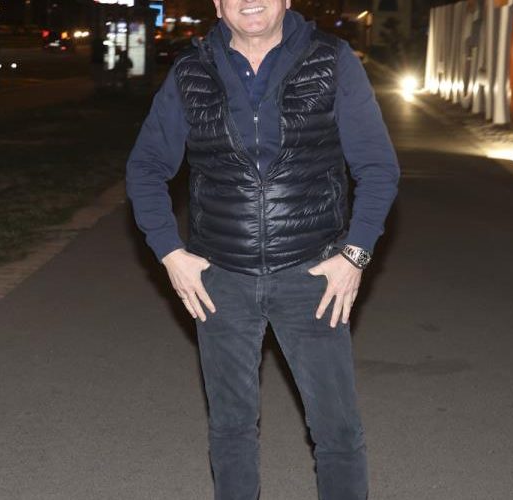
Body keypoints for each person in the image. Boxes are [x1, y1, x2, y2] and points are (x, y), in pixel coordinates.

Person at [124, 0, 399, 497]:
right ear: (218, 4)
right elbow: (145, 167)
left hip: (314, 276)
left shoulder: (331, 58)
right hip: (220, 279)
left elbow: (377, 166)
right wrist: (170, 253)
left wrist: (355, 255)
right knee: (230, 428)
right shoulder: (191, 71)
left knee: (336, 429)